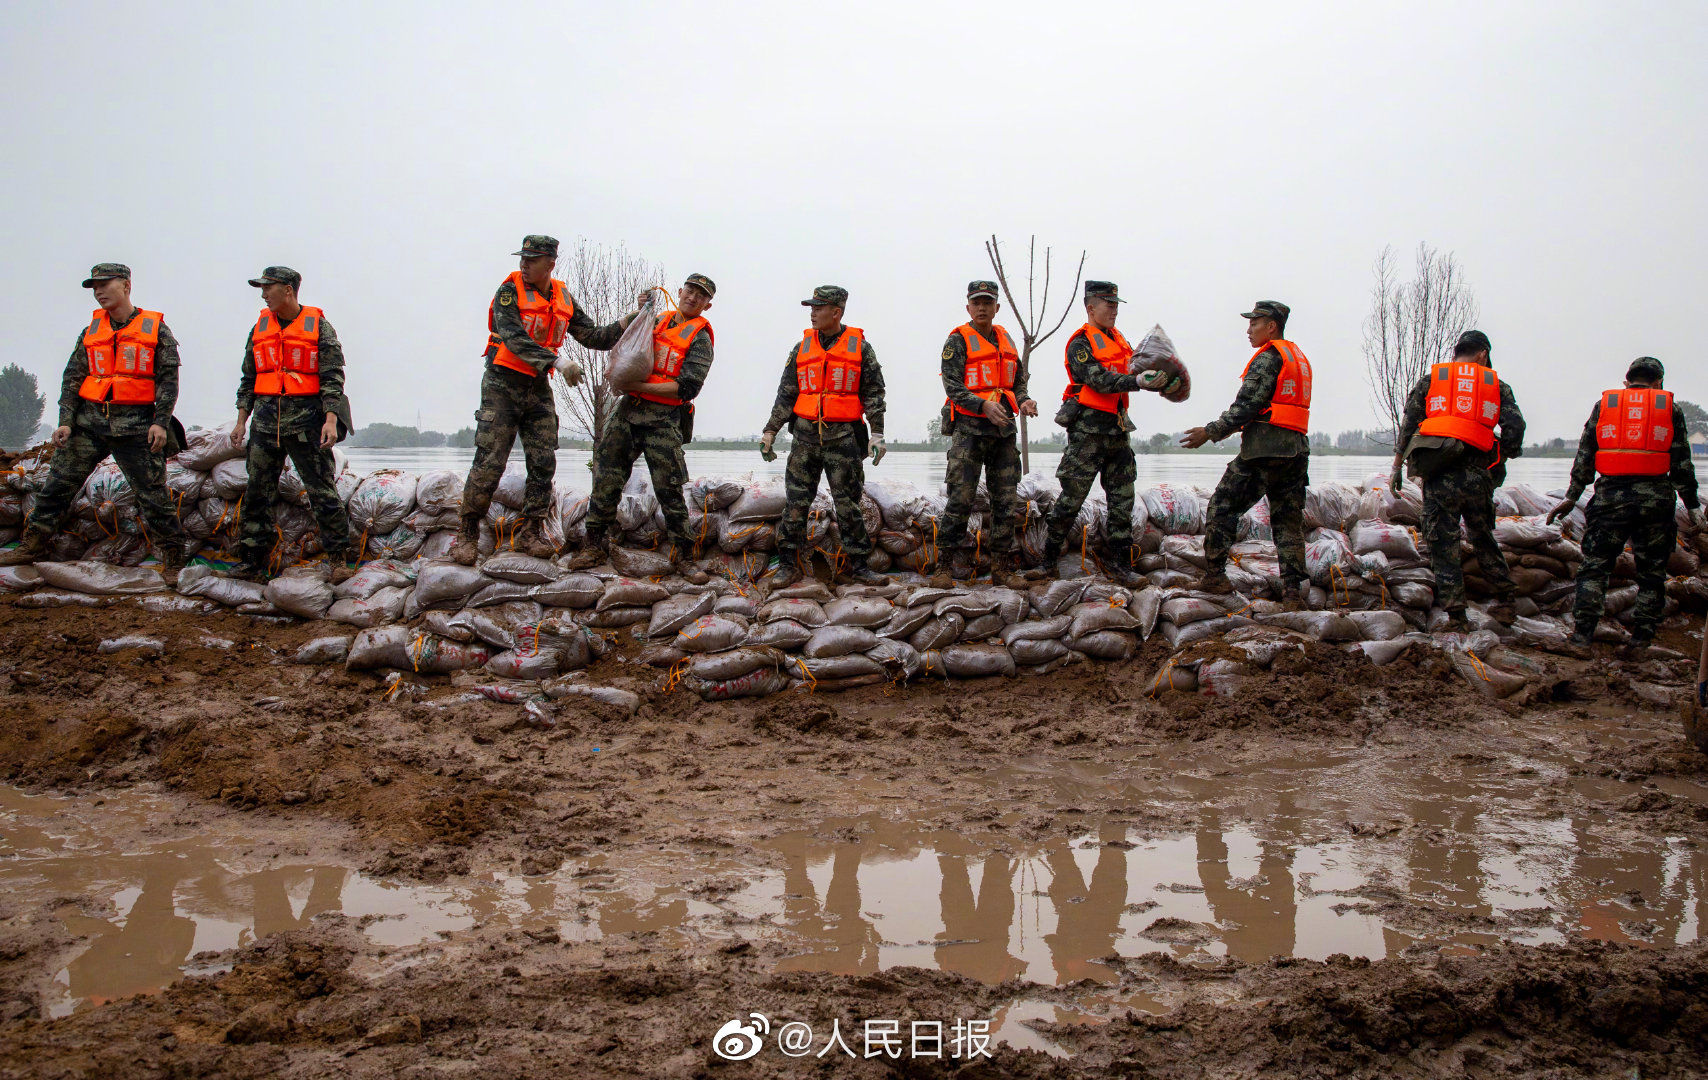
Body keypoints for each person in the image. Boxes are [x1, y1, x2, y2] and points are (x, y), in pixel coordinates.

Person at [449, 235, 634, 565]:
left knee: (543, 459)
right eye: (523, 257)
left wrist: (627, 322)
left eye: (532, 259)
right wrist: (558, 362)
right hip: (502, 384)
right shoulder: (509, 291)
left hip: (536, 387)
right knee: (490, 459)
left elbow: (593, 336)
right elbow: (515, 338)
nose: (524, 263)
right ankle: (467, 534)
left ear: (550, 263)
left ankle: (531, 531)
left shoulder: (562, 296)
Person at [1, 264, 187, 578]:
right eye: (94, 287)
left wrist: (160, 421)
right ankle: (32, 544)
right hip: (89, 424)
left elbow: (168, 380)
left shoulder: (155, 329)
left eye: (104, 284)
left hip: (136, 427)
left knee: (153, 494)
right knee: (56, 486)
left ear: (126, 286)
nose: (98, 292)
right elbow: (73, 379)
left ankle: (173, 556)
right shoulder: (92, 331)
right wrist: (65, 421)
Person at [1546, 357, 1704, 657]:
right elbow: (1682, 462)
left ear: (1626, 381)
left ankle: (1581, 639)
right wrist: (1692, 505)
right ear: (1659, 382)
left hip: (1610, 500)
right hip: (1656, 501)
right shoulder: (1669, 408)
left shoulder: (1605, 405)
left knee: (1594, 568)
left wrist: (1572, 495)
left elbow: (1586, 453)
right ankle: (1640, 642)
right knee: (1652, 573)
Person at [566, 274, 717, 582]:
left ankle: (686, 557)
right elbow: (611, 341)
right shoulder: (653, 319)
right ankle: (594, 544)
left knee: (670, 490)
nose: (692, 297)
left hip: (663, 419)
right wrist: (637, 311)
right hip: (627, 412)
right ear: (680, 290)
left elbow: (687, 387)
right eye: (690, 290)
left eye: (700, 296)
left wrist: (638, 385)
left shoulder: (700, 338)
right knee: (607, 479)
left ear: (707, 305)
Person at [1036, 280, 1173, 585]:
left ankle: (1120, 565)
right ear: (1090, 307)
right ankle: (1048, 561)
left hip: (1118, 432)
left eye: (1116, 305)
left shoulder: (1120, 340)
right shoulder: (1080, 343)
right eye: (1108, 305)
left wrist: (1161, 378)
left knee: (1122, 503)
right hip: (1088, 433)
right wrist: (1138, 382)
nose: (1113, 310)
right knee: (1071, 500)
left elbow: (1134, 371)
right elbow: (1098, 379)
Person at [225, 267, 356, 583]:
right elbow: (249, 378)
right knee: (257, 493)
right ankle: (253, 561)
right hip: (266, 425)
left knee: (321, 491)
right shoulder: (259, 328)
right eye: (261, 288)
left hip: (306, 424)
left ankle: (339, 558)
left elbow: (332, 379)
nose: (263, 294)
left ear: (288, 289)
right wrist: (242, 420)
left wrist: (330, 420)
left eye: (268, 288)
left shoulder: (318, 328)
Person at [1388, 329, 1524, 630]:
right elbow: (1515, 428)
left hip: (1439, 476)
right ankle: (1506, 602)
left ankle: (1457, 616)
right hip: (1478, 476)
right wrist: (1499, 455)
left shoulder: (1433, 381)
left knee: (1442, 542)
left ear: (1457, 352)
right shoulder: (1496, 386)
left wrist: (1397, 466)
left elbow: (1409, 423)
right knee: (1483, 538)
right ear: (1483, 354)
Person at [759, 285, 888, 588]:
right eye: (811, 308)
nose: (813, 313)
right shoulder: (801, 348)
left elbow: (874, 393)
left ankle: (858, 566)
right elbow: (786, 393)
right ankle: (788, 565)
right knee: (795, 504)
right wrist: (769, 431)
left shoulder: (861, 348)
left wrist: (877, 433)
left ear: (837, 311)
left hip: (843, 438)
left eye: (819, 307)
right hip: (804, 438)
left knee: (849, 506)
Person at [1182, 301, 1312, 600]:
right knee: (1287, 522)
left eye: (1255, 323)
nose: (1249, 329)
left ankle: (1215, 576)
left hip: (1265, 451)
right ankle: (1293, 593)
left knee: (1221, 506)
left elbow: (1247, 407)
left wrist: (1210, 432)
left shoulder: (1268, 358)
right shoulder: (1298, 358)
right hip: (1296, 451)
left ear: (1272, 327)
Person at [928, 279, 1038, 588]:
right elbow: (953, 387)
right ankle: (944, 567)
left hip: (1003, 432)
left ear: (996, 308)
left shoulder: (1007, 340)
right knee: (960, 499)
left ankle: (1001, 568)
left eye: (987, 303)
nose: (981, 307)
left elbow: (1017, 382)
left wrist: (1025, 399)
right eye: (976, 302)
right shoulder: (957, 340)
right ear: (968, 307)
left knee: (1005, 501)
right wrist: (982, 406)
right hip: (969, 432)